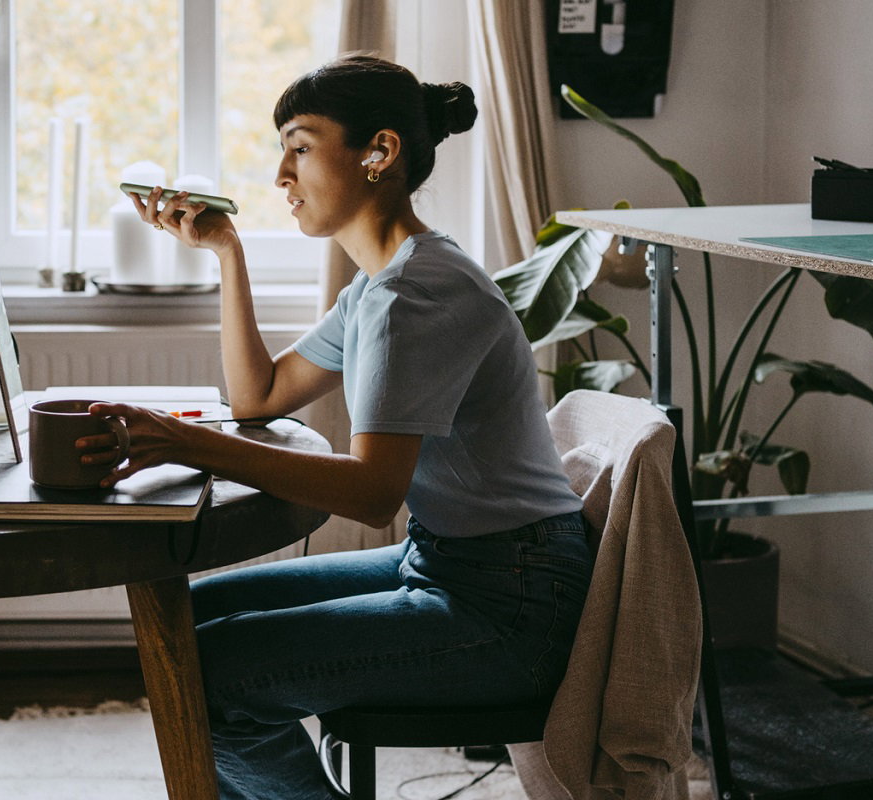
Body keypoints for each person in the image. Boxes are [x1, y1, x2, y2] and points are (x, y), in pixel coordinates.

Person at [80, 55, 591, 800]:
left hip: (511, 607)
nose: (281, 175)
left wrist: (183, 439)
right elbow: (259, 396)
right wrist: (226, 251)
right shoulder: (381, 287)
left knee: (213, 672)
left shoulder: (415, 296)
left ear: (378, 153)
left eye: (299, 146)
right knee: (186, 623)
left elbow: (373, 491)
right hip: (454, 565)